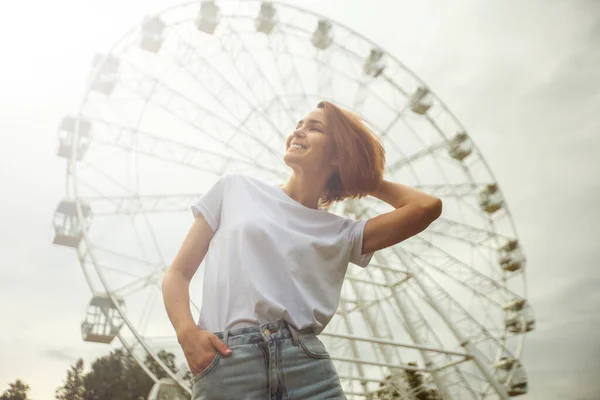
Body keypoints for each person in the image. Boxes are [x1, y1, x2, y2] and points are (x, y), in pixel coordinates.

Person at [162, 101, 442, 399]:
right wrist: (186, 333)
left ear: (338, 155)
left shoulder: (341, 233)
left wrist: (361, 176)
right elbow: (177, 275)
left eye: (314, 128)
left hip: (306, 368)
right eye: (299, 124)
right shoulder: (234, 189)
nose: (299, 131)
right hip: (229, 359)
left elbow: (426, 207)